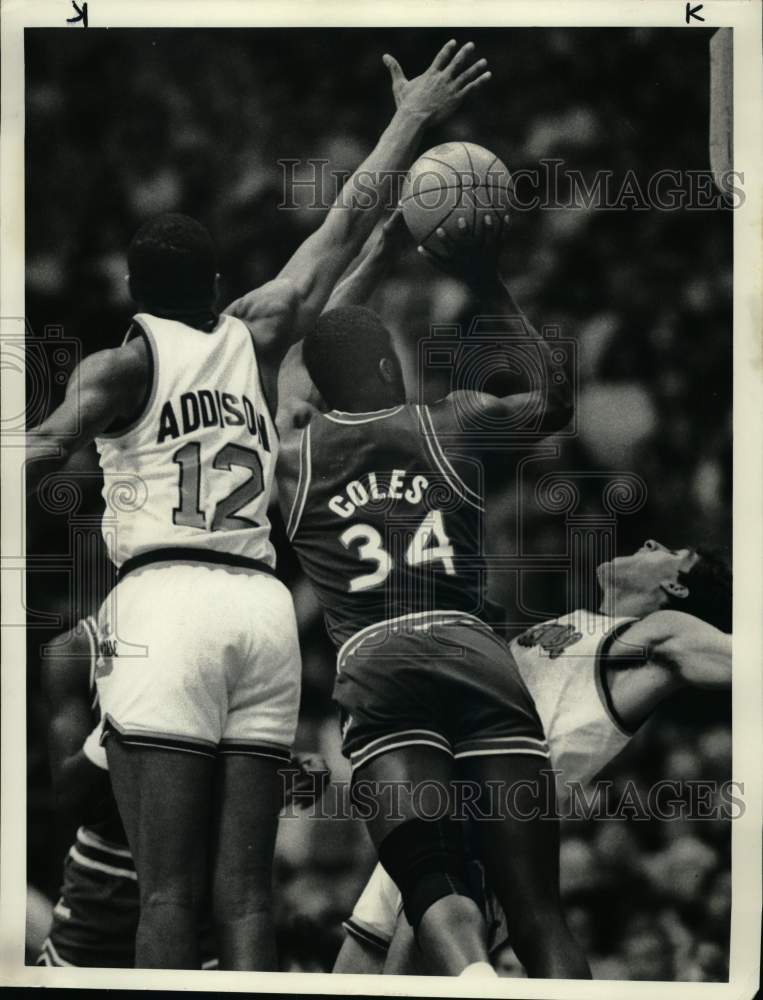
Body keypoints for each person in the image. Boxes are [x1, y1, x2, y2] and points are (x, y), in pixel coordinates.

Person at [25, 39, 493, 970]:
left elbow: (38, 447)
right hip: (262, 607)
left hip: (167, 604)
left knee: (167, 892)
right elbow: (344, 225)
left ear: (130, 292)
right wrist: (411, 116)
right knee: (244, 897)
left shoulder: (120, 364)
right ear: (211, 288)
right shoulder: (261, 326)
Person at [277, 211, 590, 979]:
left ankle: (476, 981)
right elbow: (553, 398)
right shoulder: (454, 422)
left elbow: (298, 351)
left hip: (379, 665)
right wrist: (483, 275)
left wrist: (376, 248)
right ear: (394, 370)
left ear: (317, 386)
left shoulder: (290, 456)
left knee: (430, 876)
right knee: (537, 910)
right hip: (472, 652)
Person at [333, 540, 732, 975]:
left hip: (488, 828)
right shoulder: (574, 623)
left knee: (408, 978)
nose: (651, 542)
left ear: (675, 583)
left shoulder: (661, 632)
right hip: (434, 794)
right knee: (353, 965)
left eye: (672, 551)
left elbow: (740, 658)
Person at [35, 618, 328, 968]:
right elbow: (71, 797)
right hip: (103, 897)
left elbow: (226, 775)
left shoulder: (233, 639)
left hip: (204, 900)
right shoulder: (78, 650)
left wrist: (281, 775)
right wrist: (132, 715)